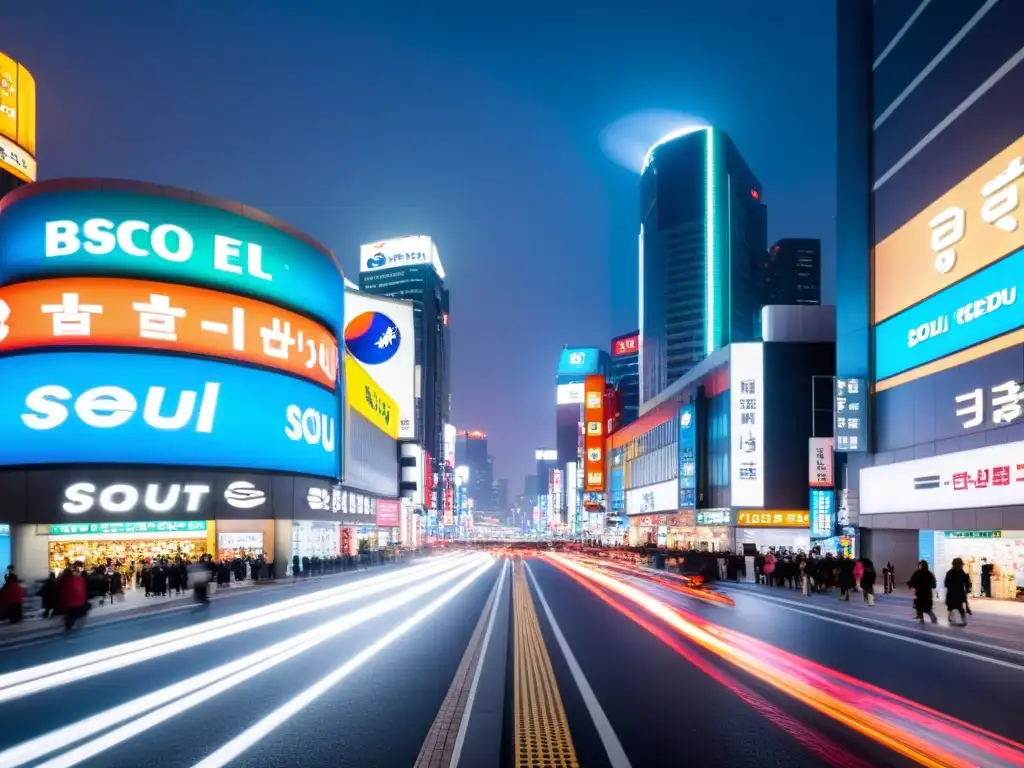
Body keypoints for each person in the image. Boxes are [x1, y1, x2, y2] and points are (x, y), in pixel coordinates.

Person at [60, 565, 89, 632]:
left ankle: (68, 627)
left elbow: (63, 596)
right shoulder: (80, 580)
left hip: (71, 606)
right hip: (79, 605)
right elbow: (83, 593)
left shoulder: (65, 582)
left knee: (71, 616)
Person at [944, 557, 972, 626]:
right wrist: (968, 588)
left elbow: (946, 584)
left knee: (954, 607)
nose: (961, 566)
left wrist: (967, 588)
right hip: (957, 593)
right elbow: (967, 583)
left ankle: (952, 618)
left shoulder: (950, 573)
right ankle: (959, 619)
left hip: (954, 593)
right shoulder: (960, 573)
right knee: (956, 607)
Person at [908, 560, 937, 624]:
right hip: (927, 594)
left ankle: (922, 620)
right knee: (927, 609)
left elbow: (913, 582)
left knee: (919, 607)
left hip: (920, 593)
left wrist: (911, 585)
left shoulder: (918, 573)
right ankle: (933, 619)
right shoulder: (929, 574)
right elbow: (934, 585)